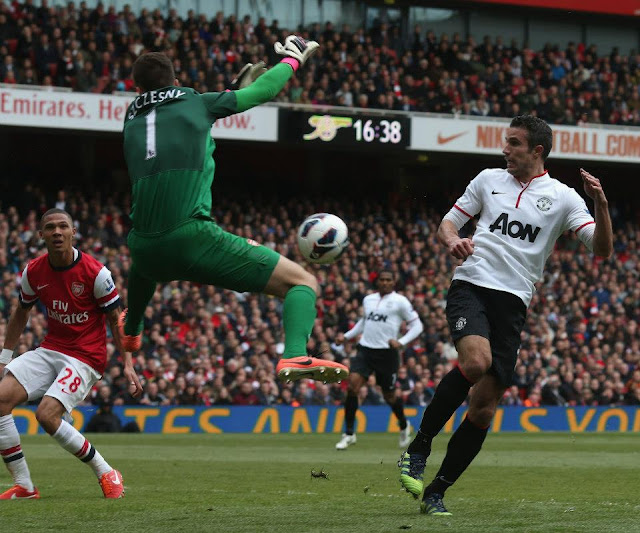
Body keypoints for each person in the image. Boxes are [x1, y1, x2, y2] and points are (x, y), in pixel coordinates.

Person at [399, 115, 613, 515]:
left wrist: (601, 204)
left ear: (537, 150)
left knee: (483, 406)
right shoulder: (487, 179)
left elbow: (600, 249)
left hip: (514, 303)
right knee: (476, 363)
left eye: (514, 143)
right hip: (472, 285)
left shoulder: (565, 198)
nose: (505, 149)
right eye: (505, 142)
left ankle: (437, 492)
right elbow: (449, 223)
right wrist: (452, 242)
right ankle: (419, 445)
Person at [118, 36, 348, 385]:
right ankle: (295, 354)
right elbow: (262, 93)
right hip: (191, 237)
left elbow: (174, 122)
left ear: (137, 89)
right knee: (303, 282)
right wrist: (291, 60)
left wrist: (221, 96)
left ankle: (132, 329)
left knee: (144, 267)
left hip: (144, 247)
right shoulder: (197, 103)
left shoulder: (131, 119)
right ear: (177, 81)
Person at [0, 208, 142, 500]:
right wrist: (4, 358)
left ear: (73, 232)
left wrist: (128, 363)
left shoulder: (96, 273)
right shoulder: (34, 271)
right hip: (51, 348)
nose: (56, 232)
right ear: (40, 235)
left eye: (62, 226)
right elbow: (20, 314)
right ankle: (25, 486)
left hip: (86, 357)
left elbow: (116, 320)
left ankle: (106, 472)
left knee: (46, 415)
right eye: (50, 227)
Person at [334, 270, 423, 450]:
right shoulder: (368, 299)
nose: (384, 282)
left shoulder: (400, 302)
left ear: (393, 282)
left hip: (387, 354)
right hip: (365, 350)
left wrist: (401, 342)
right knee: (352, 386)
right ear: (377, 282)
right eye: (381, 279)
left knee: (389, 396)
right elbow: (363, 322)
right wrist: (346, 336)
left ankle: (404, 425)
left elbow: (417, 325)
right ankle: (349, 433)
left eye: (388, 280)